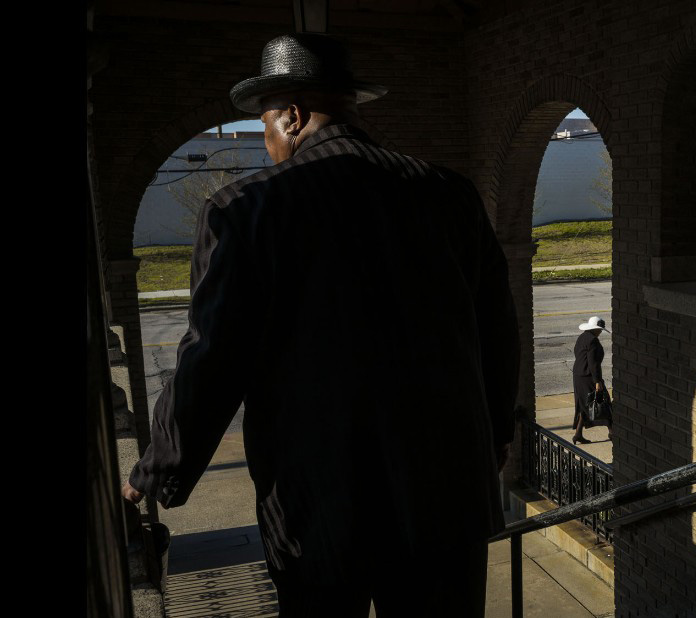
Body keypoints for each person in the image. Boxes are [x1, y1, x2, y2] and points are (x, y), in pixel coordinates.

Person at [121, 33, 520, 617]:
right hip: (447, 495)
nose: (268, 147)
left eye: (264, 131)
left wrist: (154, 471)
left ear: (291, 116)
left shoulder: (246, 209)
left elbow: (212, 358)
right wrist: (494, 438)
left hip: (318, 504)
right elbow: (497, 331)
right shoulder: (449, 195)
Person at [571, 316, 612, 444]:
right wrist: (597, 381)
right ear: (594, 328)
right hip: (588, 377)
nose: (600, 332)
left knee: (584, 404)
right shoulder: (593, 341)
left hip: (578, 376)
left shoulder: (582, 337)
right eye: (599, 329)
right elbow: (593, 364)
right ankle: (613, 432)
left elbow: (577, 353)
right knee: (603, 403)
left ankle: (578, 434)